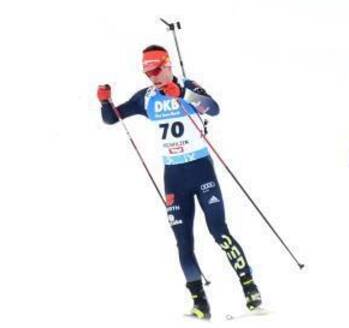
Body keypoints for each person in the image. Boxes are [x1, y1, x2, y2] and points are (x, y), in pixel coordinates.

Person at [98, 45, 262, 319]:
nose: (153, 77)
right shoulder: (146, 97)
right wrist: (105, 102)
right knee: (183, 241)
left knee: (218, 230)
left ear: (168, 65)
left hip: (201, 170)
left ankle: (249, 287)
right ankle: (200, 302)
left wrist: (183, 94)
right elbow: (111, 119)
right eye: (148, 73)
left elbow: (214, 109)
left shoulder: (188, 85)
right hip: (174, 176)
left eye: (157, 71)